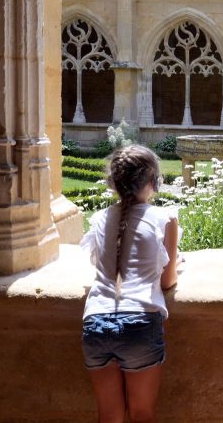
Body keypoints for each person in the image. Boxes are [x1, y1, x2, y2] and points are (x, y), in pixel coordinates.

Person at [80, 144, 181, 423]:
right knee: (141, 415)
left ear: (113, 182)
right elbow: (168, 280)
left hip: (96, 322)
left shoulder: (100, 218)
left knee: (109, 417)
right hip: (140, 322)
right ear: (153, 182)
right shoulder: (165, 218)